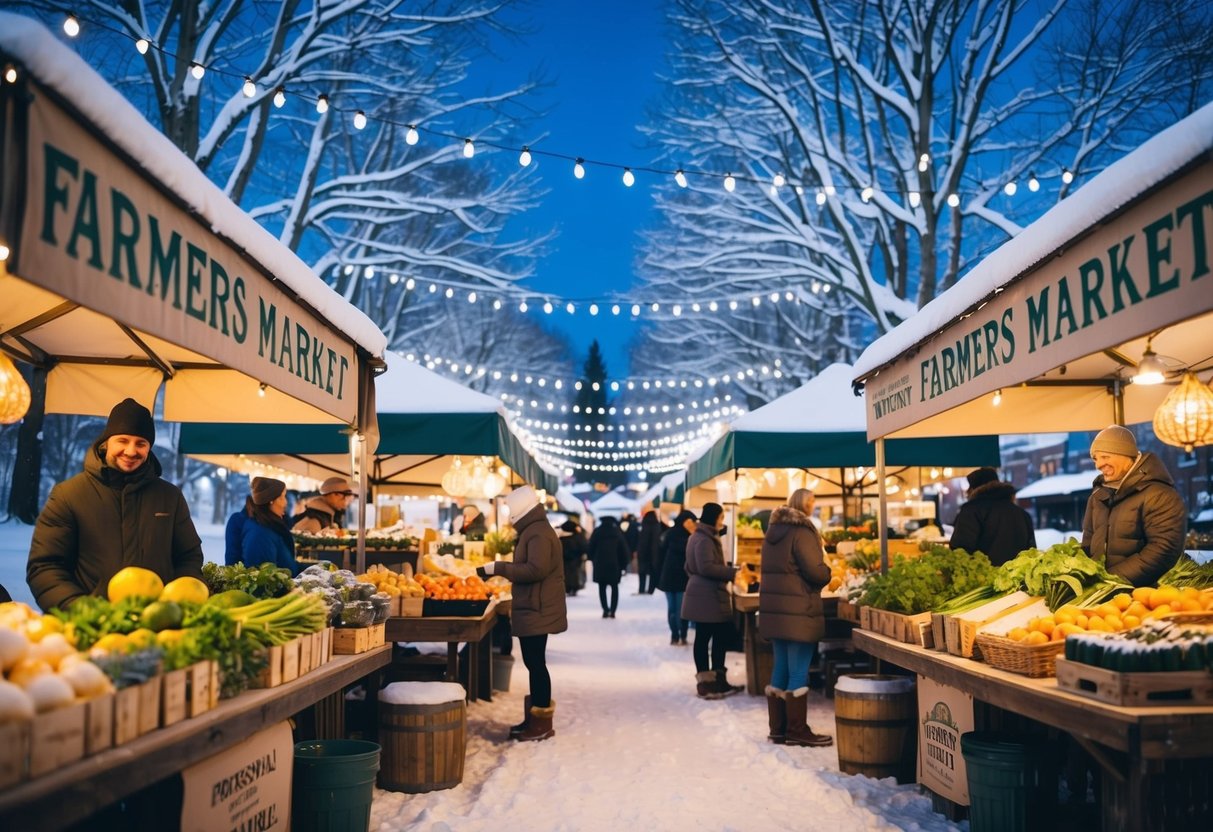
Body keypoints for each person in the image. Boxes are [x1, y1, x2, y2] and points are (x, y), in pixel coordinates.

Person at [27, 398, 204, 611]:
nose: (131, 451)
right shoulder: (68, 495)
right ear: (106, 442)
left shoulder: (170, 497)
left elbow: (188, 557)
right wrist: (81, 611)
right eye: (123, 440)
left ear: (149, 448)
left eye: (141, 443)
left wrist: (176, 604)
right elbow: (45, 566)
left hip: (157, 627)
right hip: (91, 628)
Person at [476, 486, 566, 741]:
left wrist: (499, 568)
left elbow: (535, 570)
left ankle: (541, 725)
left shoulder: (537, 532)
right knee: (534, 663)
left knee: (536, 664)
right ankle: (535, 719)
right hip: (535, 605)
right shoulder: (535, 529)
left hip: (537, 608)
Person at [759, 489, 834, 747]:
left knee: (781, 666)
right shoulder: (802, 532)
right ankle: (797, 730)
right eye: (812, 501)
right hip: (798, 611)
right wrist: (828, 571)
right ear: (804, 504)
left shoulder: (773, 533)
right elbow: (815, 571)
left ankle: (778, 729)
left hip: (776, 611)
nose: (813, 505)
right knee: (798, 670)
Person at [1081, 425, 1186, 585]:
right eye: (1096, 459)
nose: (1098, 465)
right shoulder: (1097, 496)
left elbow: (1164, 549)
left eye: (1105, 457)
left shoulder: (1159, 494)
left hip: (1145, 596)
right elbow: (1088, 543)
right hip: (1101, 595)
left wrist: (1110, 581)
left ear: (1124, 454)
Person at [682, 502, 743, 698]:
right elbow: (706, 567)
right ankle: (710, 683)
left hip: (704, 594)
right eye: (721, 517)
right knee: (712, 638)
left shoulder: (699, 536)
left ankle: (713, 681)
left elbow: (689, 566)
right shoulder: (705, 539)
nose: (722, 521)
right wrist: (733, 573)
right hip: (707, 596)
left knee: (709, 637)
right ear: (713, 517)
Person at [949, 467, 1037, 566]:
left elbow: (960, 552)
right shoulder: (1023, 514)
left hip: (984, 579)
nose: (966, 492)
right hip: (1015, 579)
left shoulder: (971, 511)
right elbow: (1032, 554)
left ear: (973, 489)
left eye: (969, 487)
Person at [240, 477, 302, 575]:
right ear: (271, 501)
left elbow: (288, 565)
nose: (286, 503)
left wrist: (315, 568)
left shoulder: (272, 528)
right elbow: (265, 579)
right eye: (282, 497)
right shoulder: (260, 534)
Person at [656, 509, 696, 646]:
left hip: (677, 578)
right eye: (689, 522)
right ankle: (676, 634)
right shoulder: (688, 537)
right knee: (675, 608)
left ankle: (680, 635)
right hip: (674, 577)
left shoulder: (671, 534)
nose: (692, 525)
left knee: (677, 608)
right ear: (683, 521)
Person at [588, 516, 629, 618]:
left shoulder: (597, 532)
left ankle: (605, 609)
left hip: (600, 565)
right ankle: (613, 611)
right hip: (615, 565)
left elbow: (590, 548)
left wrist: (593, 559)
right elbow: (624, 550)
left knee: (602, 588)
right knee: (614, 588)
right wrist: (623, 565)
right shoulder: (617, 532)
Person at [557, 515, 589, 596]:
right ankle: (574, 587)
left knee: (565, 572)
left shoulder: (561, 537)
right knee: (574, 573)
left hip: (564, 558)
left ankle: (567, 587)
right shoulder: (578, 535)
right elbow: (584, 546)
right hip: (575, 558)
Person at [636, 509, 664, 594]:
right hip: (654, 553)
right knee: (653, 572)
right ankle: (651, 590)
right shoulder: (657, 526)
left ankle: (641, 589)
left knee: (642, 572)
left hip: (643, 552)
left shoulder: (644, 525)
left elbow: (641, 540)